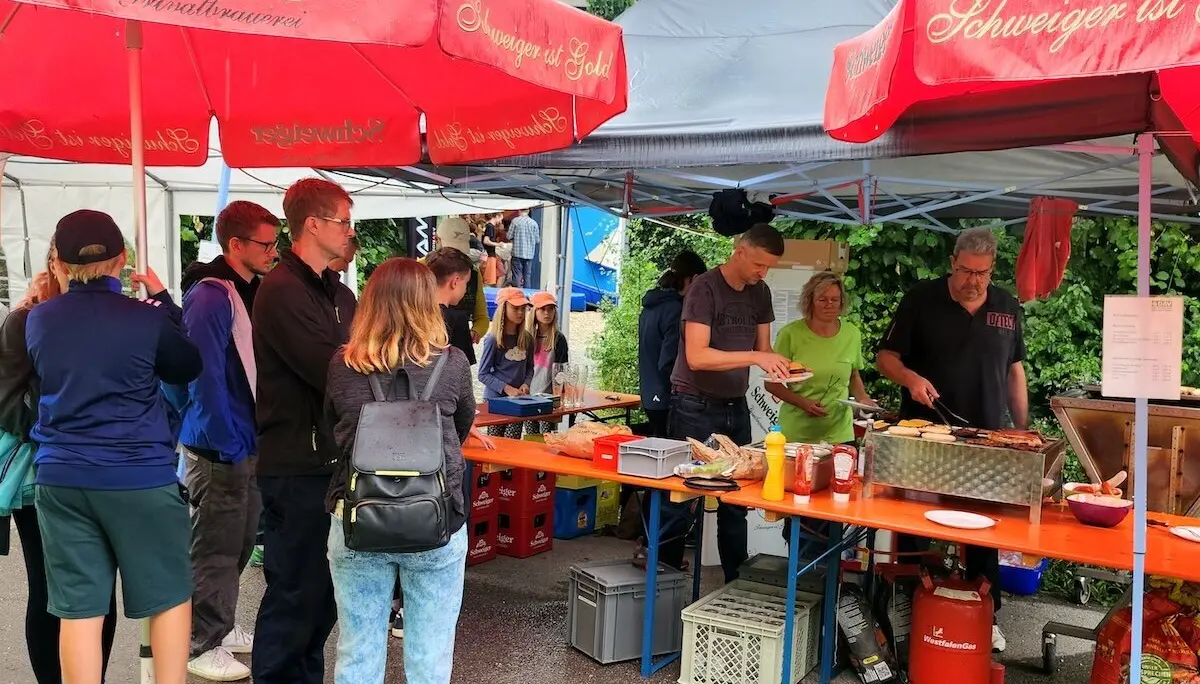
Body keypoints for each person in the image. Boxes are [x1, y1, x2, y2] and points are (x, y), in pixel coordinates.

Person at [26, 210, 202, 684]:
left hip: (60, 476)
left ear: (59, 263)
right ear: (122, 259)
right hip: (138, 475)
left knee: (79, 608)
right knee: (167, 595)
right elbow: (187, 365)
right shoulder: (143, 320)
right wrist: (163, 301)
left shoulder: (38, 320)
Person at [324, 258, 476, 684]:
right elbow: (461, 426)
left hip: (357, 515)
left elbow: (334, 427)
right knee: (429, 657)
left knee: (357, 652)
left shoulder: (342, 364)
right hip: (436, 516)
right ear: (428, 303)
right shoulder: (452, 362)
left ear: (370, 302)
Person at [876, 226, 1028, 653]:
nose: (971, 281)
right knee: (915, 529)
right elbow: (885, 357)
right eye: (964, 271)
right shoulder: (921, 299)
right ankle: (908, 613)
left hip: (986, 439)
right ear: (952, 263)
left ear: (992, 268)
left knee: (984, 534)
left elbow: (1015, 370)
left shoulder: (1008, 308)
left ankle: (987, 615)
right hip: (925, 435)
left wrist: (1021, 428)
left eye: (980, 273)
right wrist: (910, 379)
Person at [251, 178, 357, 684]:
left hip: (333, 461)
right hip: (295, 464)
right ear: (312, 224)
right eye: (343, 221)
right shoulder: (280, 290)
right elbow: (331, 368)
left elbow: (353, 361)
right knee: (294, 593)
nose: (350, 232)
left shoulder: (339, 293)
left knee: (323, 599)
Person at [0, 240, 120, 684]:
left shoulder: (114, 319)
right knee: (51, 589)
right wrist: (66, 420)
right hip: (42, 475)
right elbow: (6, 402)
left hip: (107, 472)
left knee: (102, 590)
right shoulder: (25, 320)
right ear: (54, 264)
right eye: (70, 262)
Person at [176, 200, 279, 681]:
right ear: (235, 244)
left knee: (236, 544)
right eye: (266, 243)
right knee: (215, 548)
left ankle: (219, 625)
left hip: (243, 439)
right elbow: (202, 375)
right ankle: (201, 642)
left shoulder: (245, 289)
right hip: (220, 445)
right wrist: (227, 439)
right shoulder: (212, 295)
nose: (273, 251)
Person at [662, 223, 792, 581]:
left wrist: (785, 368)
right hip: (693, 404)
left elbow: (764, 352)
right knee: (682, 496)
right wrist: (755, 357)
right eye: (758, 265)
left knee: (736, 501)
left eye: (768, 268)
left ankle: (736, 583)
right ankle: (664, 580)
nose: (762, 274)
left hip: (735, 404)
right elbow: (698, 356)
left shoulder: (760, 292)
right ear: (740, 250)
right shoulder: (704, 288)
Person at [766, 271, 876, 444]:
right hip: (797, 434)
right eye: (822, 299)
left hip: (840, 433)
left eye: (835, 299)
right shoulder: (790, 334)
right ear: (810, 302)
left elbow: (853, 375)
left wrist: (863, 398)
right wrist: (803, 403)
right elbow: (771, 384)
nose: (829, 305)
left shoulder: (852, 333)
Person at [637, 251, 708, 437]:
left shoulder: (651, 306)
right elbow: (668, 361)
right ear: (694, 279)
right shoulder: (676, 311)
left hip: (649, 393)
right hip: (668, 397)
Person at [426, 218, 489, 364]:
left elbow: (482, 316)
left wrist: (475, 332)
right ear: (437, 240)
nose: (455, 254)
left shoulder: (471, 272)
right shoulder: (419, 269)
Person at [478, 287, 535, 439]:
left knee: (513, 441)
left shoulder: (527, 339)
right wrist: (507, 388)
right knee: (495, 442)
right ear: (503, 308)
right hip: (495, 400)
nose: (521, 313)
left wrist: (526, 384)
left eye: (523, 308)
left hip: (518, 401)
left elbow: (530, 368)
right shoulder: (492, 340)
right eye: (515, 308)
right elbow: (483, 374)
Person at [524, 292, 569, 435]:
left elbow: (563, 370)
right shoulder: (526, 337)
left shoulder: (558, 338)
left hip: (548, 398)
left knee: (547, 437)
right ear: (534, 311)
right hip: (527, 397)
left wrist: (560, 398)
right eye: (542, 309)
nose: (547, 313)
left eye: (550, 309)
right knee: (531, 437)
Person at [508, 208, 540, 288]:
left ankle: (517, 295)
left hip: (517, 253)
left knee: (517, 275)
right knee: (527, 276)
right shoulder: (534, 223)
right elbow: (537, 240)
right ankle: (527, 295)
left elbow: (509, 236)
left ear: (519, 211)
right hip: (529, 254)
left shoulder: (515, 221)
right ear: (528, 211)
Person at [481, 212, 502, 286]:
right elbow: (486, 241)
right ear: (496, 216)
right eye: (500, 219)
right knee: (488, 280)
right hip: (489, 255)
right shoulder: (490, 227)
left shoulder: (487, 226)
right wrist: (498, 244)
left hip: (485, 255)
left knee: (486, 278)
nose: (500, 222)